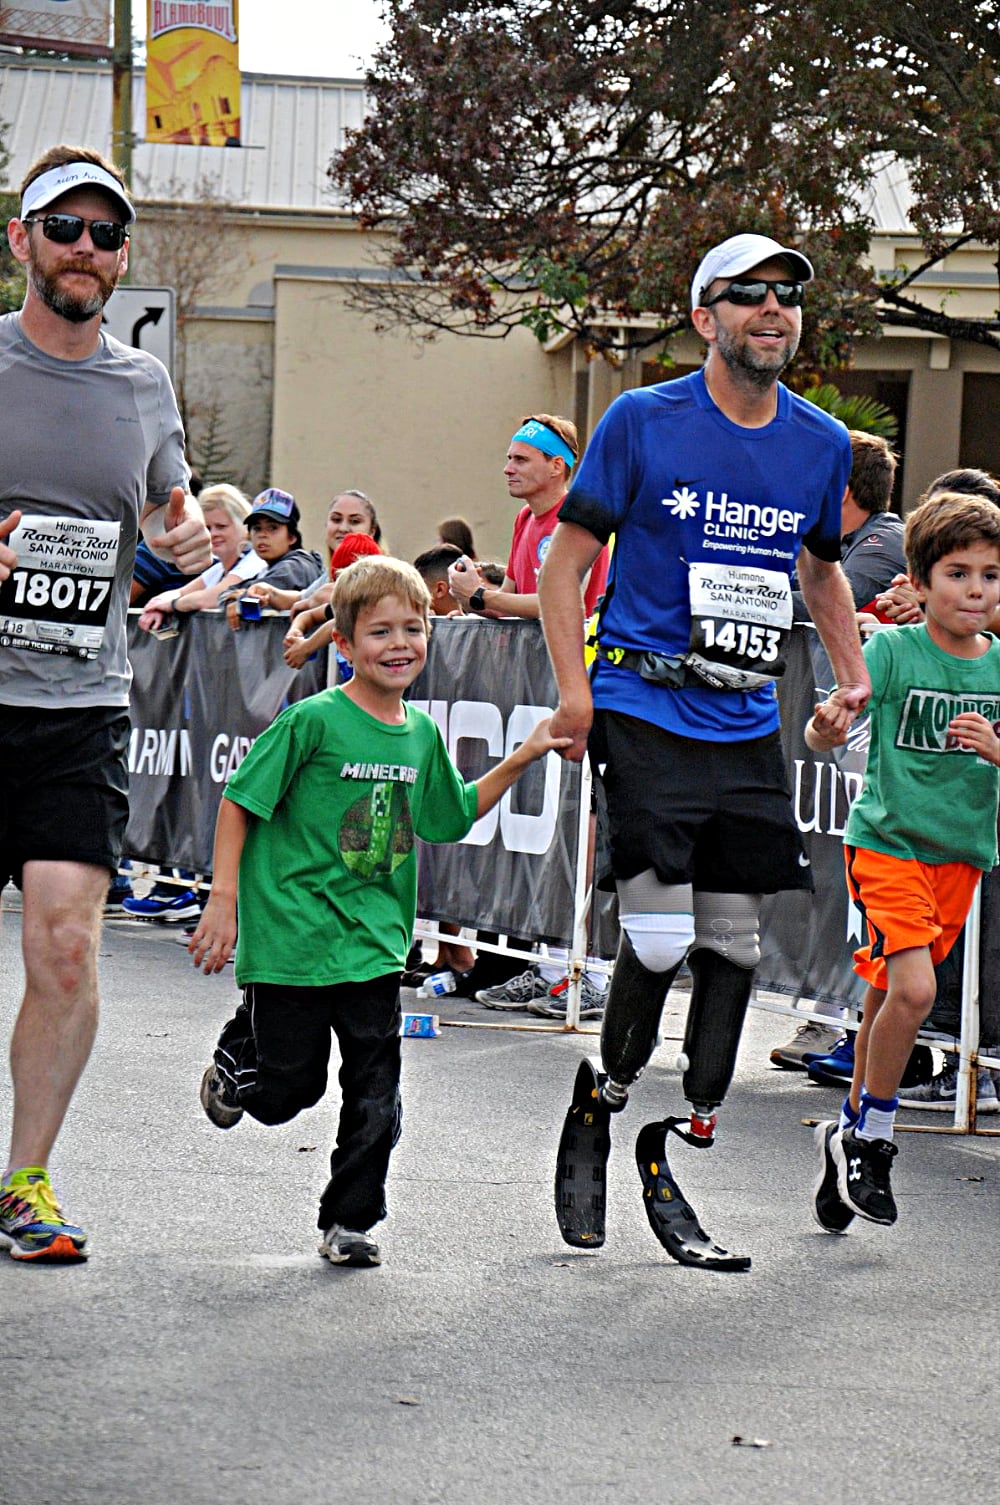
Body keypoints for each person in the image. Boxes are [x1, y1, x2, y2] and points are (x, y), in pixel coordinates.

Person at [536, 232, 870, 1268]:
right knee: (653, 939)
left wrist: (848, 678)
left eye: (787, 297)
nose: (773, 309)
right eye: (749, 295)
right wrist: (576, 692)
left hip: (740, 723)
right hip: (642, 707)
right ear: (704, 315)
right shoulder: (643, 420)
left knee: (730, 945)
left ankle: (677, 1129)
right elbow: (563, 565)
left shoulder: (820, 444)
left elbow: (819, 576)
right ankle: (607, 1093)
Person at [188, 557, 568, 1265]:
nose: (400, 644)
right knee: (286, 1092)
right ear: (343, 642)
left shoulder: (419, 735)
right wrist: (223, 900)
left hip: (372, 943)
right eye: (379, 631)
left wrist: (524, 756)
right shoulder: (314, 721)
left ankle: (350, 1220)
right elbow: (241, 800)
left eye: (414, 628)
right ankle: (242, 1051)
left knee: (376, 1096)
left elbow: (449, 816)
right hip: (294, 938)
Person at [0, 144, 211, 1262]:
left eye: (106, 234)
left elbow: (172, 510)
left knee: (67, 947)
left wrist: (182, 536)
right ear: (22, 240)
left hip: (79, 701)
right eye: (65, 229)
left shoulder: (143, 382)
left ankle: (26, 1178)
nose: (87, 250)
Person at [806, 492, 1000, 1230]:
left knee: (892, 993)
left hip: (961, 855)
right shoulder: (890, 649)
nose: (976, 589)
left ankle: (847, 1132)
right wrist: (828, 724)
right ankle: (875, 1137)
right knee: (915, 991)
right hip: (888, 842)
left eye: (990, 574)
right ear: (919, 583)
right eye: (958, 573)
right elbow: (827, 733)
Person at [772, 429, 903, 1069]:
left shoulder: (884, 541)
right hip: (832, 739)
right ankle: (833, 1020)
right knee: (835, 883)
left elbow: (823, 598)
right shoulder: (834, 540)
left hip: (882, 749)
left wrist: (749, 593)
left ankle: (883, 1042)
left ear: (841, 489)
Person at [446, 414, 609, 621]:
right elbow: (505, 602)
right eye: (510, 459)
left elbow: (558, 604)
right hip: (534, 651)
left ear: (556, 466)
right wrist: (469, 605)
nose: (508, 469)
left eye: (521, 460)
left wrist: (479, 595)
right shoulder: (525, 517)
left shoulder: (581, 517)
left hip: (576, 652)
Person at [221, 489, 322, 631]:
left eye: (273, 528)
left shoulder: (297, 566)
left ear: (292, 537)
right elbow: (224, 595)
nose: (263, 535)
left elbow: (255, 594)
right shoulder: (268, 568)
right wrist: (232, 596)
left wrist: (240, 595)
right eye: (257, 528)